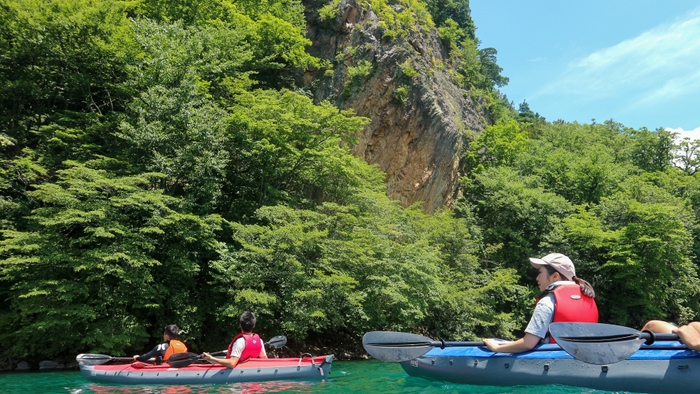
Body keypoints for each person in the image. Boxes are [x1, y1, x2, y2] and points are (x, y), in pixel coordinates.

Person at [482, 253, 598, 354]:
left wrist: (497, 347)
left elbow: (528, 344)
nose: (537, 278)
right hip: (583, 359)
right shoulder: (588, 298)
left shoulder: (548, 301)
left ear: (555, 276)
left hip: (552, 363)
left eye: (540, 273)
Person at [202, 311, 268, 368]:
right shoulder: (260, 341)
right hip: (249, 367)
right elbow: (265, 360)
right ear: (253, 326)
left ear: (240, 325)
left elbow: (231, 364)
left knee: (211, 360)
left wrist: (211, 358)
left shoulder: (240, 341)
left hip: (239, 368)